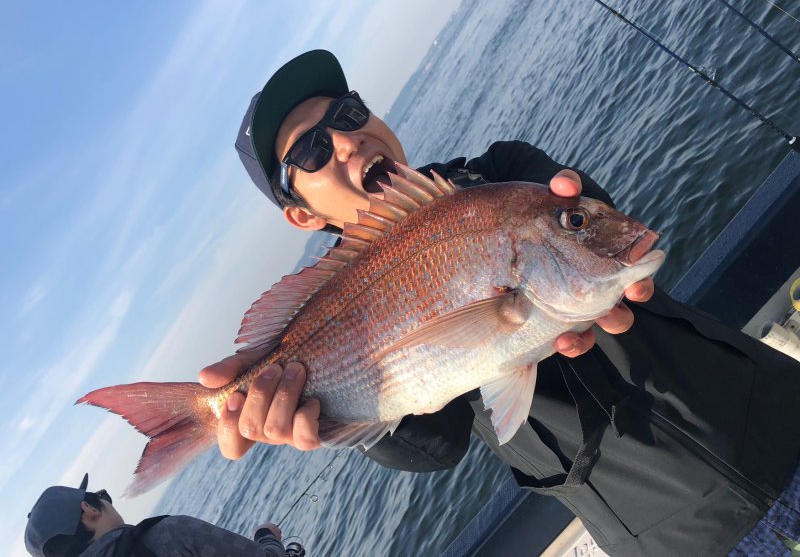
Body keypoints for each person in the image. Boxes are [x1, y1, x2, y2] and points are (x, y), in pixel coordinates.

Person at [199, 50, 800, 556]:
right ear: (303, 215)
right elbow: (436, 446)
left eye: (347, 113)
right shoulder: (331, 304)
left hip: (765, 403)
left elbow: (610, 235)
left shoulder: (505, 172)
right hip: (674, 532)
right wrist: (331, 418)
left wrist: (576, 214)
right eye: (310, 151)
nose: (344, 141)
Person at [25, 474, 287, 557]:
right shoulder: (172, 534)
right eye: (101, 495)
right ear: (89, 509)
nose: (106, 499)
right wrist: (266, 536)